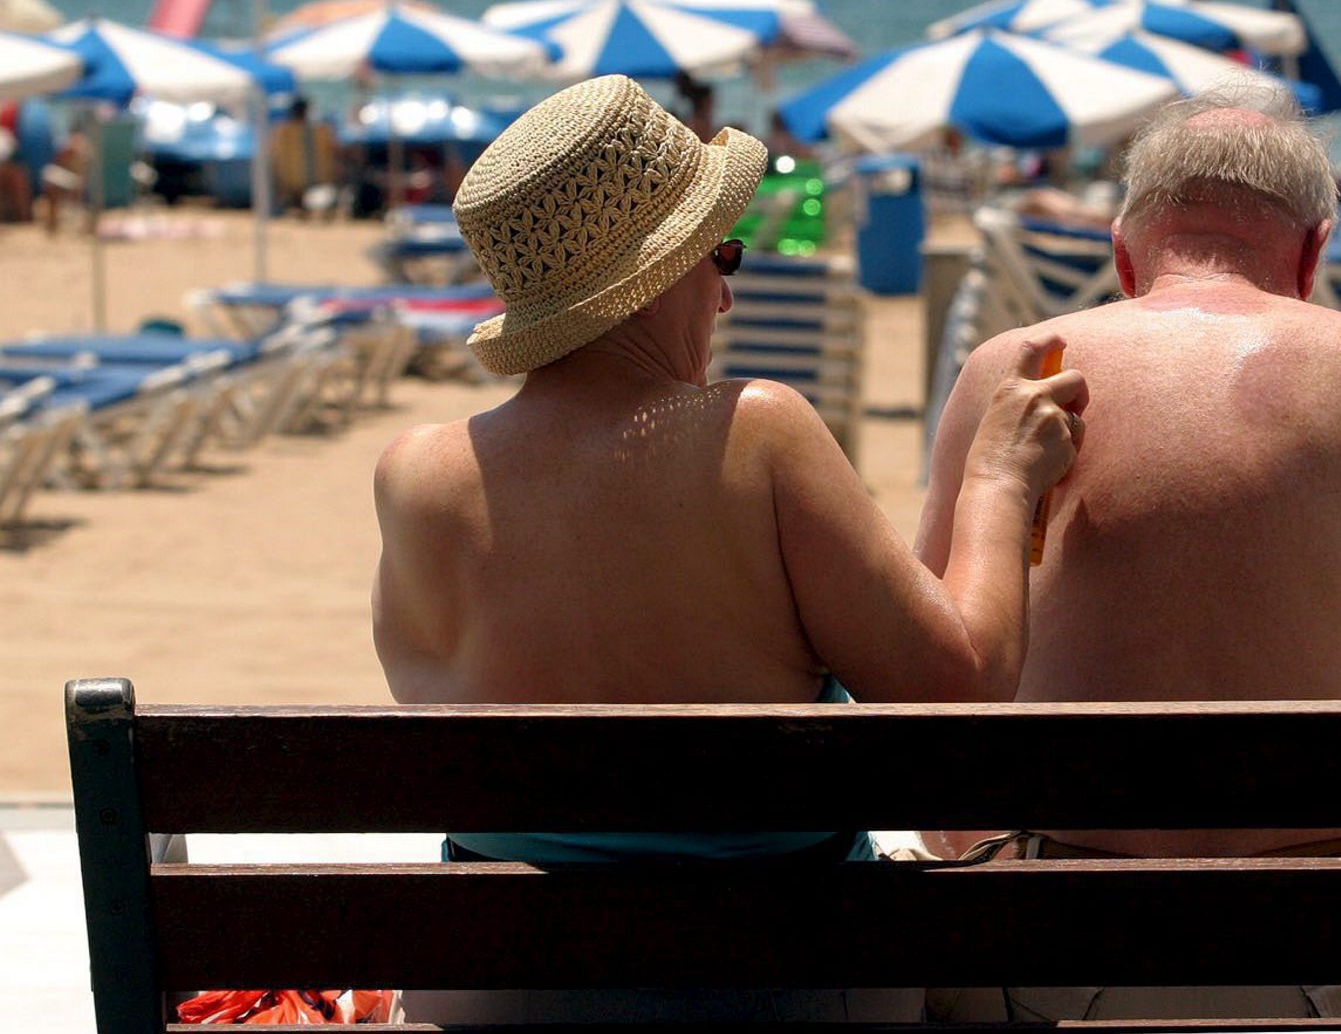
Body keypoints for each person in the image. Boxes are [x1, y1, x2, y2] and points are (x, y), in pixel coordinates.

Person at [374, 76, 1085, 1020]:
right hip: (775, 985)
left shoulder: (415, 476)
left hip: (499, 996)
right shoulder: (756, 432)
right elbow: (959, 698)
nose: (726, 296)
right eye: (725, 257)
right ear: (664, 276)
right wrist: (1000, 480)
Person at [917, 84, 1341, 1023]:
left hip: (1053, 952)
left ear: (1123, 251)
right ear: (1313, 253)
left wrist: (991, 859)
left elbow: (922, 692)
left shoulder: (1017, 375)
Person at [269, 97, 341, 217]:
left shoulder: (282, 132)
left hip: (289, 179)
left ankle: (299, 206)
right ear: (307, 111)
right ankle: (330, 206)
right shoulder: (320, 130)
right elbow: (334, 150)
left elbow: (273, 155)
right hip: (319, 176)